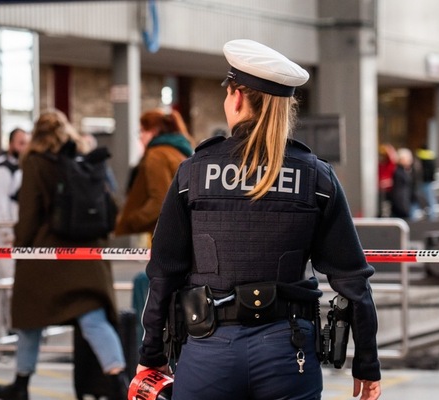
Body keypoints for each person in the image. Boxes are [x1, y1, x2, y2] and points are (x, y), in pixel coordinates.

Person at [136, 39, 381, 400]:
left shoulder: (193, 173)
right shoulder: (317, 178)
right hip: (288, 353)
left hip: (207, 350)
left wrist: (151, 354)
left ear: (236, 98)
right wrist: (367, 363)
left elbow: (163, 271)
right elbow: (353, 280)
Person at [0, 110, 128, 400]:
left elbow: (29, 213)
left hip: (47, 254)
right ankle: (118, 379)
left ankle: (21, 382)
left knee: (30, 319)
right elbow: (109, 203)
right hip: (88, 252)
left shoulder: (36, 162)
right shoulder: (83, 156)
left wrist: (21, 247)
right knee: (93, 318)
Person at [115, 108, 193, 236]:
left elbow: (160, 199)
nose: (140, 137)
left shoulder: (156, 155)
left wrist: (132, 220)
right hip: (172, 229)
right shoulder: (177, 152)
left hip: (150, 232)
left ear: (154, 131)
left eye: (142, 131)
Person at [0, 127, 29, 337]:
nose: (24, 147)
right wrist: (5, 233)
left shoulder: (21, 168)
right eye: (20, 142)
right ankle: (4, 328)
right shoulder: (1, 171)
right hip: (6, 237)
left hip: (19, 236)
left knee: (15, 285)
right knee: (6, 284)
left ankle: (11, 326)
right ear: (11, 143)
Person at [390, 148, 417, 220]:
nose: (410, 160)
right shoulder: (399, 172)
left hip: (408, 200)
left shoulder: (409, 170)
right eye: (407, 158)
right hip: (402, 202)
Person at [416, 145, 437, 220]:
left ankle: (430, 215)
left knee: (425, 199)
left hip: (423, 180)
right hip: (429, 180)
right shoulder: (431, 155)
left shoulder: (420, 154)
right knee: (431, 199)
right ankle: (432, 215)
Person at [377, 144, 397, 217]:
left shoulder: (391, 164)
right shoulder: (380, 165)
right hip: (380, 190)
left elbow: (393, 158)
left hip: (390, 190)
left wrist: (388, 149)